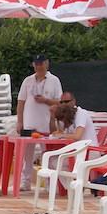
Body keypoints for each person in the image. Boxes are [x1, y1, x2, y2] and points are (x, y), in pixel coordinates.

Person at [16, 54, 63, 190]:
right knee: (27, 155)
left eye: (41, 64)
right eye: (36, 64)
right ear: (33, 65)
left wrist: (46, 100)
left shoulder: (54, 80)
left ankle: (49, 183)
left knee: (47, 154)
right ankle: (25, 182)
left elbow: (60, 102)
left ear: (46, 64)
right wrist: (20, 121)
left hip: (46, 123)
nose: (39, 66)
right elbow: (21, 102)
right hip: (29, 123)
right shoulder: (28, 80)